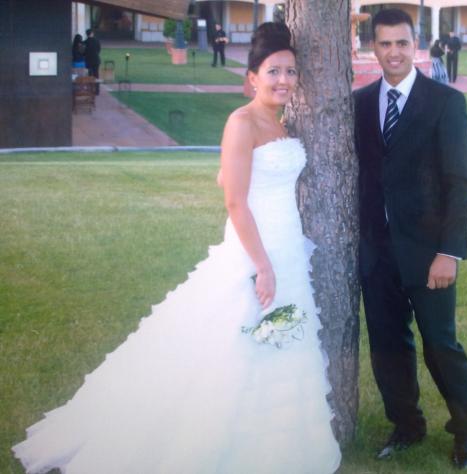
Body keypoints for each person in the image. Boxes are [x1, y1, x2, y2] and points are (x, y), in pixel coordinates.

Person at [12, 22, 341, 474]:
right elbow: (234, 201)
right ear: (252, 77)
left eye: (290, 71)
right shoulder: (241, 121)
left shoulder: (282, 125)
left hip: (287, 247)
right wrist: (262, 265)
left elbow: (230, 176)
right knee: (234, 343)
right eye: (273, 71)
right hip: (256, 252)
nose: (283, 80)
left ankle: (273, 450)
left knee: (280, 344)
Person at [353, 8, 467, 470]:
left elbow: (460, 183)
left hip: (430, 253)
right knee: (388, 346)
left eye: (402, 43)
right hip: (377, 253)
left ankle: (466, 432)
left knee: (441, 346)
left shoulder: (445, 102)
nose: (394, 52)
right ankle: (406, 425)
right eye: (385, 44)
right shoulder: (360, 103)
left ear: (417, 46)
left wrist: (449, 252)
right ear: (374, 47)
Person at [83, 29, 101, 94]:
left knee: (90, 75)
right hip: (96, 60)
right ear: (92, 33)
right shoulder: (97, 41)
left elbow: (83, 52)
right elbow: (99, 50)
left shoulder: (85, 42)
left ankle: (90, 89)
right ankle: (97, 90)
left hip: (88, 61)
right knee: (96, 75)